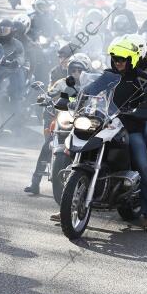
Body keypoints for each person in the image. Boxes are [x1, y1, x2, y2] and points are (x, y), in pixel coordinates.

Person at [81, 34, 147, 230]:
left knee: (142, 166)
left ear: (132, 59)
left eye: (122, 58)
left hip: (132, 127)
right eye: (115, 58)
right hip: (107, 124)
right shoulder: (107, 75)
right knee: (80, 151)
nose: (118, 62)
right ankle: (70, 200)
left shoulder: (141, 77)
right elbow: (90, 89)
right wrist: (75, 98)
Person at [24, 53, 91, 195]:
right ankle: (35, 182)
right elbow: (51, 93)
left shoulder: (91, 86)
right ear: (69, 70)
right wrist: (45, 97)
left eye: (80, 70)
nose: (77, 73)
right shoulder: (63, 82)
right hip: (65, 119)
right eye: (74, 70)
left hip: (84, 122)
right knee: (48, 145)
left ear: (86, 72)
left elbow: (101, 100)